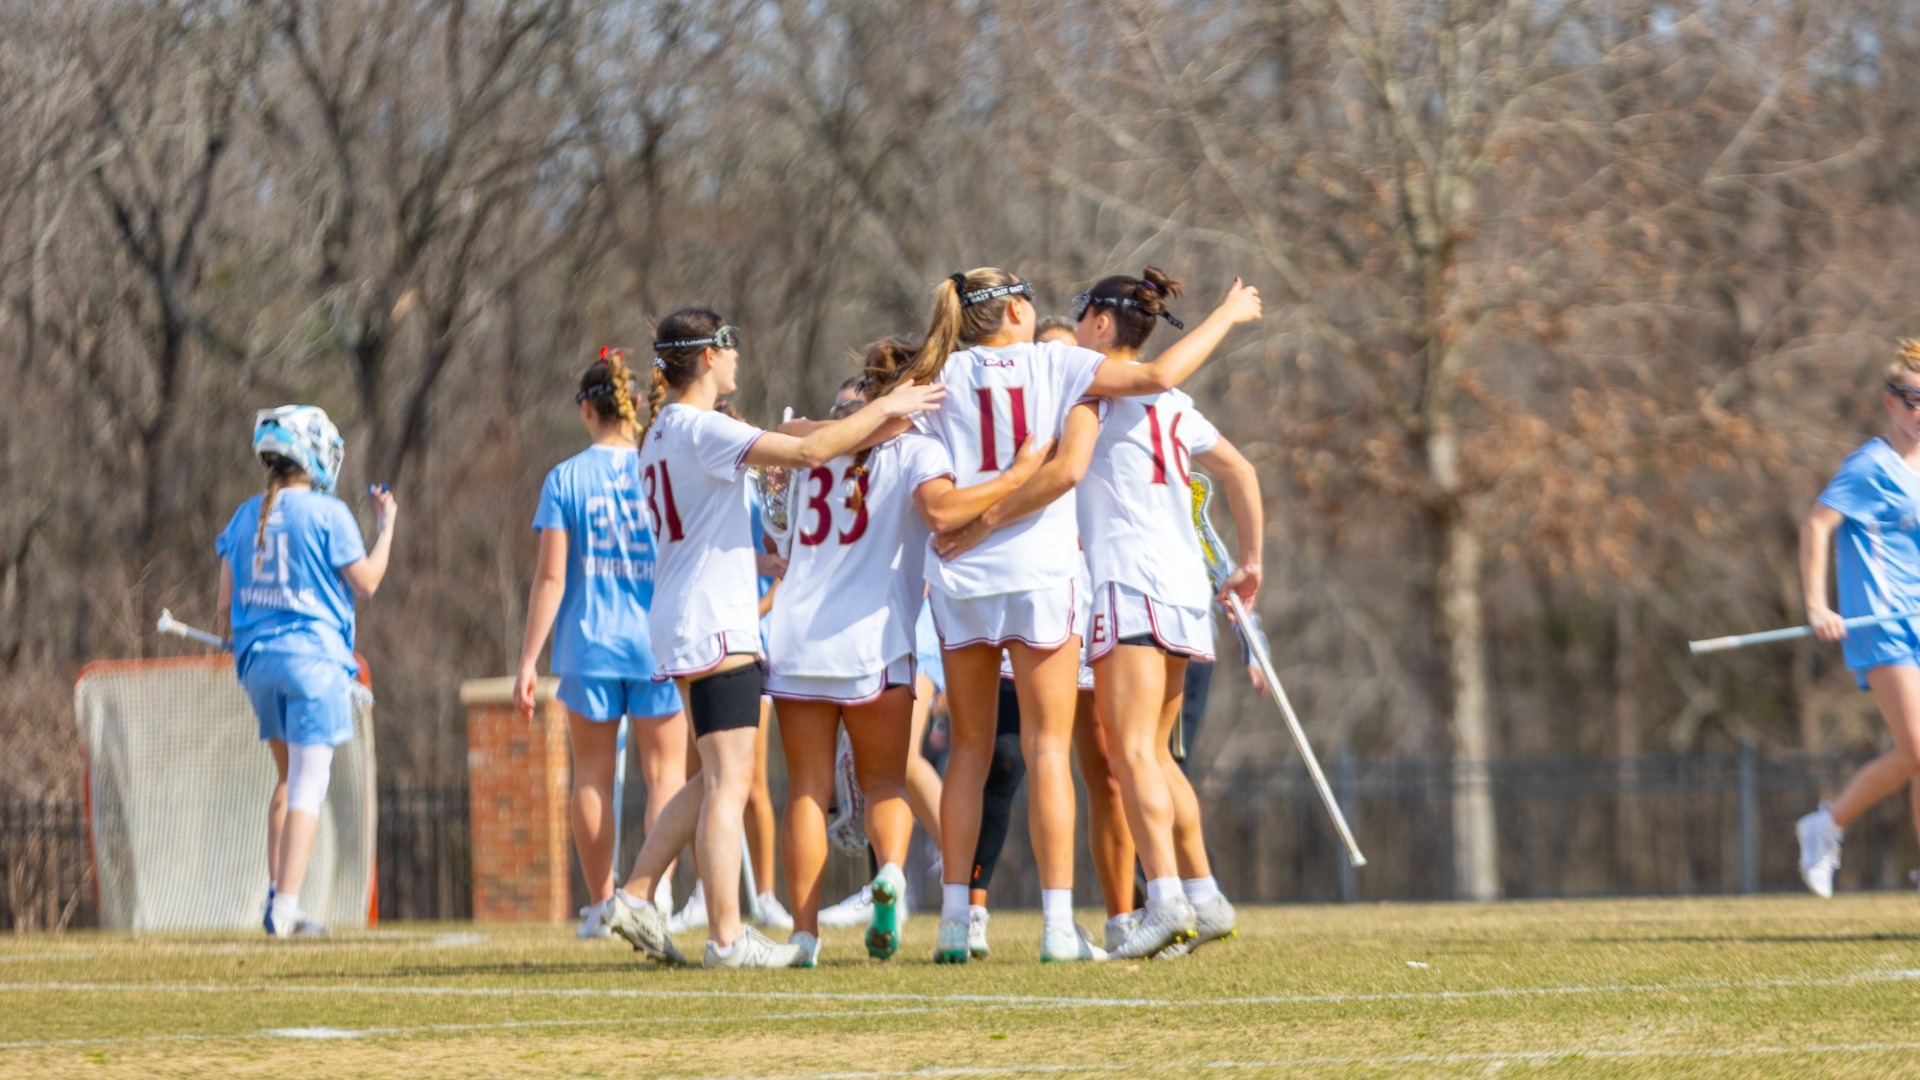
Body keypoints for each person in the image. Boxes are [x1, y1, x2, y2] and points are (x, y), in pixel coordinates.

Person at [898, 267, 1260, 963]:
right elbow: (1157, 384)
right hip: (1056, 575)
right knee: (1062, 750)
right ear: (1010, 311)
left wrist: (971, 528)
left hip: (974, 578)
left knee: (972, 752)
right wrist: (1225, 314)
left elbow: (888, 444)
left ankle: (955, 919)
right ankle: (1066, 924)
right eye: (1029, 303)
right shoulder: (1056, 363)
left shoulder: (940, 373)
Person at [599, 307, 942, 969]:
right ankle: (728, 938)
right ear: (706, 356)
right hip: (716, 619)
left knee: (707, 779)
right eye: (730, 344)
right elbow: (813, 449)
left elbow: (699, 522)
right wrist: (896, 403)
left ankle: (639, 892)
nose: (738, 356)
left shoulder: (663, 431)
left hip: (681, 610)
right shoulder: (706, 427)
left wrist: (758, 560)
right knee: (730, 784)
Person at [769, 339, 1045, 964]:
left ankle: (804, 935)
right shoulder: (919, 449)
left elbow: (793, 431)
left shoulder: (820, 440)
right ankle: (889, 871)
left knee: (807, 791)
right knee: (886, 779)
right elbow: (944, 511)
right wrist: (1017, 477)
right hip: (875, 638)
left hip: (798, 635)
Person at [1073, 267, 1264, 958]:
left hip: (1129, 582)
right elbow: (1242, 472)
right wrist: (1252, 562)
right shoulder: (1177, 404)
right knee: (1154, 754)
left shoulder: (1083, 371)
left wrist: (1223, 315)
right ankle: (1205, 895)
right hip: (1183, 587)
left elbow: (1150, 375)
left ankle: (1165, 901)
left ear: (1100, 322)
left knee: (1128, 755)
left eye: (1080, 316)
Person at [512, 349, 689, 941]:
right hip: (656, 641)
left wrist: (528, 660)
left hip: (588, 645)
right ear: (635, 407)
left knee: (590, 776)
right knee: (665, 773)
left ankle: (600, 905)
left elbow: (552, 579)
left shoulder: (565, 478)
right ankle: (655, 891)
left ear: (587, 409)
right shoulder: (658, 467)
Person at [215, 405, 397, 938]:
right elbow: (366, 582)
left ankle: (279, 896)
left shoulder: (244, 515)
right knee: (309, 786)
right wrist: (386, 528)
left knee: (288, 779)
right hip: (313, 664)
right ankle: (286, 909)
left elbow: (224, 605)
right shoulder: (329, 512)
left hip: (258, 666)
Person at [1796, 339, 1920, 898]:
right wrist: (1818, 606)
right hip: (1882, 625)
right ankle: (1828, 824)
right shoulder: (1870, 466)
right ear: (1891, 402)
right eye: (1912, 399)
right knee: (1919, 749)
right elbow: (1817, 527)